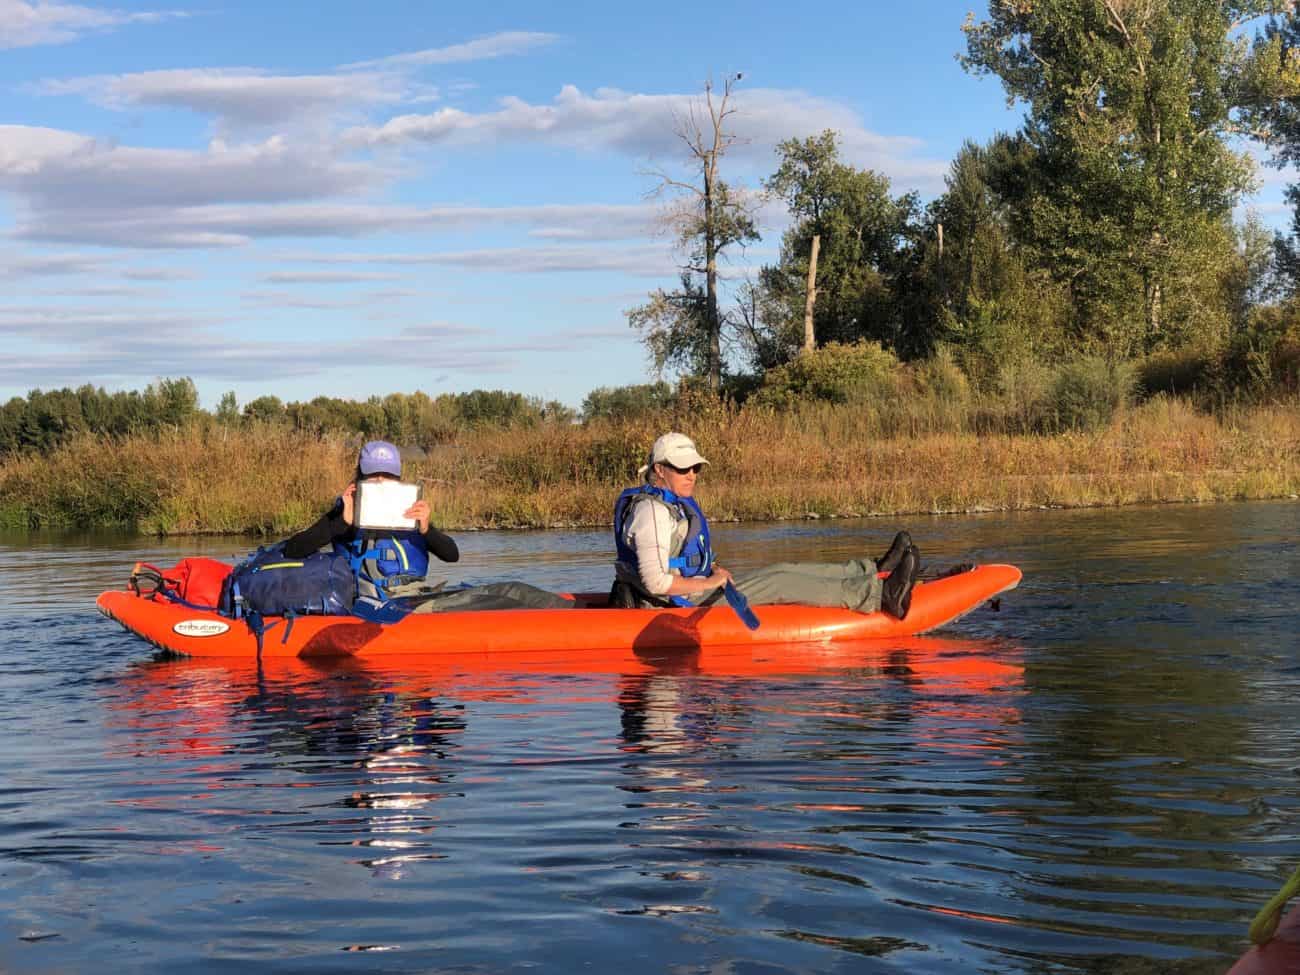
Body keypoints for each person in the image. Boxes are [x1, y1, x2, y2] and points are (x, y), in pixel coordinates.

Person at [612, 432, 921, 618]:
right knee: (780, 583)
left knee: (782, 570)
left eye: (695, 467)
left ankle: (870, 570)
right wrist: (707, 583)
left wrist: (712, 567)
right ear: (659, 470)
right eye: (683, 468)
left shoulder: (668, 505)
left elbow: (676, 554)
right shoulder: (651, 512)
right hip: (675, 605)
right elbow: (655, 582)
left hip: (686, 595)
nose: (692, 474)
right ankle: (880, 597)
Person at [284, 440, 573, 613]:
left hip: (418, 595)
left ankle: (587, 613)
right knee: (498, 599)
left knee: (514, 588)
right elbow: (294, 549)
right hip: (386, 607)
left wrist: (426, 529)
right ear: (360, 477)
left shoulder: (409, 510)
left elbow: (452, 555)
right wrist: (338, 524)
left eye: (387, 475)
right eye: (373, 475)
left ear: (398, 478)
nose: (381, 481)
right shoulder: (346, 511)